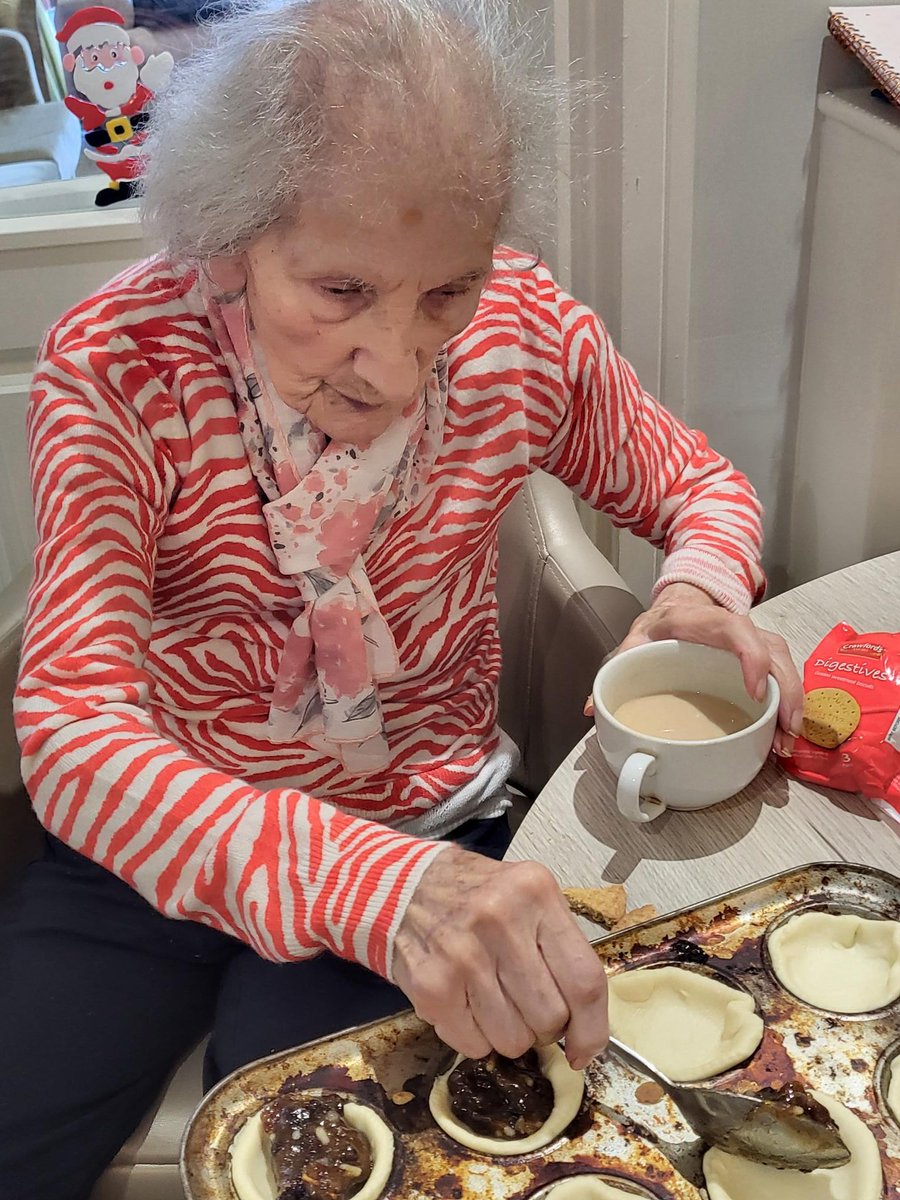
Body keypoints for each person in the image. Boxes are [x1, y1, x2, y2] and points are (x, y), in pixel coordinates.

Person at [0, 1, 804, 1195]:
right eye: (339, 291)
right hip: (155, 832)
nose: (397, 361)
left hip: (423, 829)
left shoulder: (524, 334)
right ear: (229, 239)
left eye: (446, 292)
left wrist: (696, 586)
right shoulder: (115, 366)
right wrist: (362, 890)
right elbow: (69, 722)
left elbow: (699, 485)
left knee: (330, 1167)